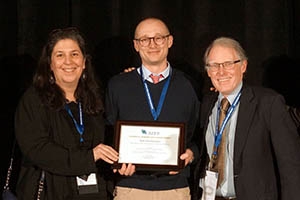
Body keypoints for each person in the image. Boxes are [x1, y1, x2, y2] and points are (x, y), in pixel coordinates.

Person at [14, 27, 119, 200]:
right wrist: (89, 157)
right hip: (51, 192)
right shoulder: (33, 100)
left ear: (84, 62)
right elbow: (37, 150)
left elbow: (109, 141)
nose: (68, 62)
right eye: (60, 55)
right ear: (50, 64)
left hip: (93, 193)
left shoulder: (96, 98)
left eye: (75, 54)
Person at [105, 17, 201, 200]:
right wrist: (116, 163)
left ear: (169, 41)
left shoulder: (189, 85)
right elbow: (108, 133)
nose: (152, 44)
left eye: (159, 38)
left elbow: (199, 135)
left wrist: (191, 153)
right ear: (136, 45)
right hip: (131, 189)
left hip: (175, 189)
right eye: (144, 39)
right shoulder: (118, 85)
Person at [195, 37, 300, 200]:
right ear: (208, 71)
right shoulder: (207, 103)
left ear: (243, 66)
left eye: (228, 64)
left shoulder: (268, 103)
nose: (221, 72)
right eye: (214, 65)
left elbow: (291, 166)